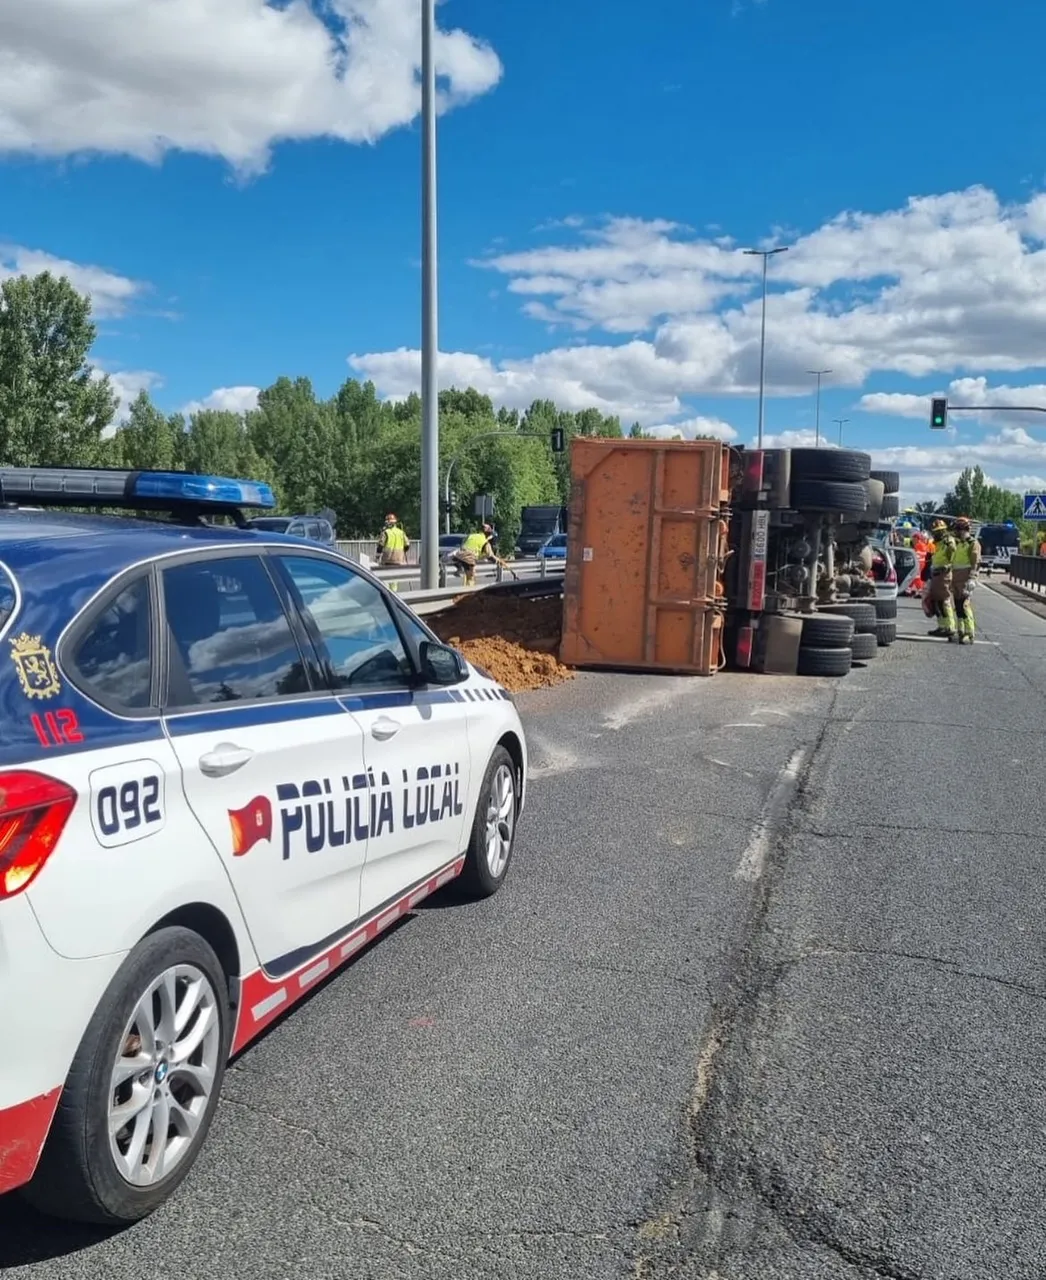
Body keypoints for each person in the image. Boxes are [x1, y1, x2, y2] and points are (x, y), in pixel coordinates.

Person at [949, 516, 981, 644]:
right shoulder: (957, 543)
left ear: (963, 529)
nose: (956, 532)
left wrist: (972, 579)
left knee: (964, 604)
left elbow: (975, 563)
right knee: (957, 605)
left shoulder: (973, 543)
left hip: (966, 578)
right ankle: (961, 631)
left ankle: (970, 632)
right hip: (956, 577)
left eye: (957, 529)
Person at [926, 519, 957, 638]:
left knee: (944, 600)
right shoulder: (936, 543)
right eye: (935, 531)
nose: (936, 534)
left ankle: (950, 626)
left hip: (944, 574)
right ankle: (942, 626)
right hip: (935, 573)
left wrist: (946, 567)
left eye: (939, 531)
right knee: (937, 602)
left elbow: (952, 559)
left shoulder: (948, 542)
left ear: (944, 531)